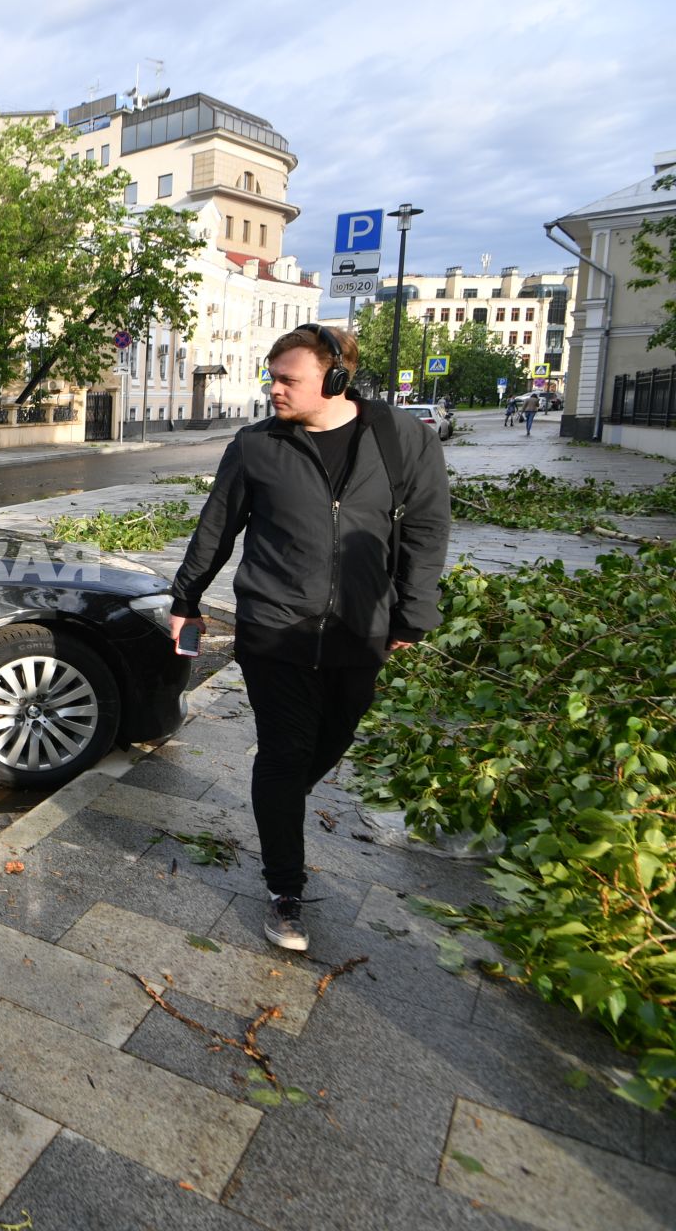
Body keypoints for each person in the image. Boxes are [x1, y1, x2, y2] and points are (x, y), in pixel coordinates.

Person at [169, 324, 450, 952]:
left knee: (331, 740)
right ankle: (285, 890)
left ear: (337, 378)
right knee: (284, 750)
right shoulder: (256, 446)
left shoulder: (402, 442)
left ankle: (277, 807)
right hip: (273, 629)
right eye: (272, 377)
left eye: (286, 379)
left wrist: (412, 614)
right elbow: (216, 530)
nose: (273, 390)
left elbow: (429, 532)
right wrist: (185, 599)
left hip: (361, 627)